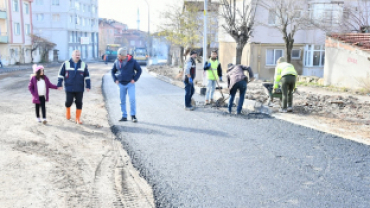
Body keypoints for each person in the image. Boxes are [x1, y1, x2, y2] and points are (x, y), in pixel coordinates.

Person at [57, 50, 91, 124]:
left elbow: (87, 76)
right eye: (76, 55)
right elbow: (61, 75)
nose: (77, 56)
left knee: (79, 103)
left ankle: (77, 119)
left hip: (79, 88)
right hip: (69, 87)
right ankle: (68, 112)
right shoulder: (66, 64)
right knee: (69, 102)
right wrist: (59, 83)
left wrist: (88, 85)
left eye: (79, 55)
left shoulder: (83, 64)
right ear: (72, 55)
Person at [111, 47, 142, 122]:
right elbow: (112, 71)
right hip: (121, 84)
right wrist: (115, 80)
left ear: (123, 55)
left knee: (132, 100)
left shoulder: (132, 61)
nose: (118, 56)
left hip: (130, 84)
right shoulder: (117, 61)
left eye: (119, 55)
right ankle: (124, 116)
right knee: (122, 101)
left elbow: (139, 70)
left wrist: (134, 79)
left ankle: (133, 116)